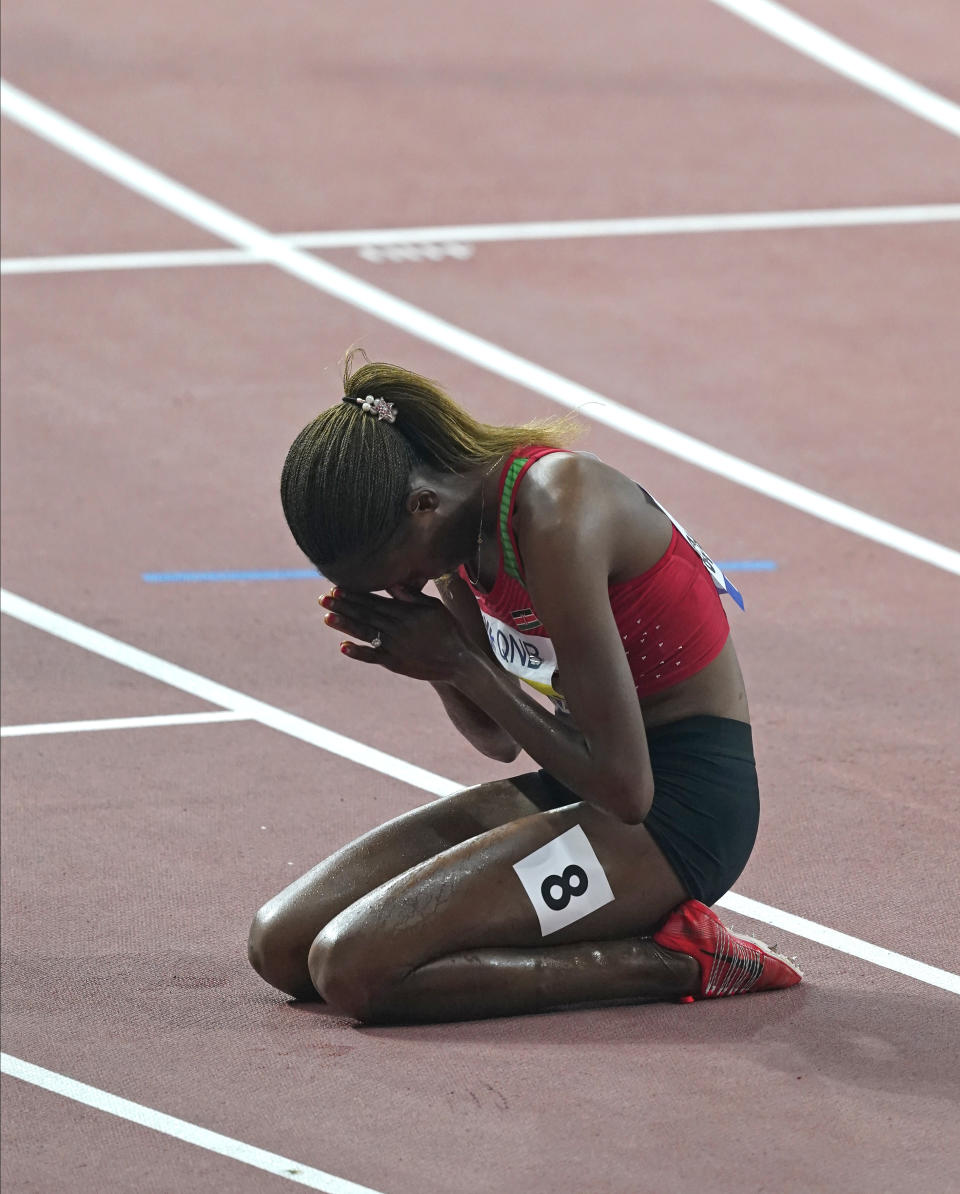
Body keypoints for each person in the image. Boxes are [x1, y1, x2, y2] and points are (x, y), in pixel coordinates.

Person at [247, 351, 802, 1023]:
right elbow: (498, 739)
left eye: (394, 574)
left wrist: (459, 661)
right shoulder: (456, 539)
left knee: (354, 970)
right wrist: (428, 660)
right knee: (281, 945)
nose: (401, 590)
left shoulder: (557, 512)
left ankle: (680, 960)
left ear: (422, 505)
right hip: (583, 782)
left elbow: (628, 790)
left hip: (681, 817)